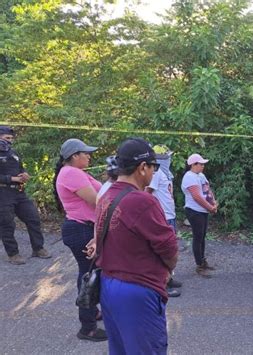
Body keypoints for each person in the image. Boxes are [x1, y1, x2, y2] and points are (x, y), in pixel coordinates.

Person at [96, 138, 178, 355]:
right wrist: (168, 269)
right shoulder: (143, 201)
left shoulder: (107, 195)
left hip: (108, 284)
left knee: (121, 349)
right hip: (137, 288)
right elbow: (168, 247)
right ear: (143, 167)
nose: (153, 173)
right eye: (154, 167)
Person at [52, 138, 107, 342]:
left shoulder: (77, 172)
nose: (89, 156)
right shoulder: (71, 173)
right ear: (74, 156)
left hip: (84, 228)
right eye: (85, 153)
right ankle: (88, 328)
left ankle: (91, 312)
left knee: (89, 272)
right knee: (88, 276)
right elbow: (96, 200)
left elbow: (100, 193)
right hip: (81, 230)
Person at [0, 125, 50, 265]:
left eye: (11, 138)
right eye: (6, 138)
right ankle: (13, 254)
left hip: (19, 192)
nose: (9, 141)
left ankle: (38, 248)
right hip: (3, 193)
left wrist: (24, 174)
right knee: (7, 224)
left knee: (33, 218)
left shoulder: (13, 152)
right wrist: (12, 179)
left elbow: (21, 167)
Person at [146, 145, 182, 297]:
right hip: (163, 217)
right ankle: (162, 284)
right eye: (167, 156)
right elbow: (148, 192)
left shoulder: (165, 173)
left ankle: (169, 277)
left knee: (171, 248)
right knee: (164, 250)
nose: (169, 159)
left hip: (169, 215)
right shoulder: (156, 173)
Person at [181, 153, 218, 278]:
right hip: (194, 210)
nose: (203, 166)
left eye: (203, 164)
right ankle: (199, 265)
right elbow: (197, 197)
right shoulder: (189, 177)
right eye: (200, 164)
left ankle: (203, 261)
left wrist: (214, 203)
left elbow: (207, 190)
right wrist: (210, 208)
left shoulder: (200, 175)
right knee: (198, 238)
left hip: (203, 210)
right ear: (193, 165)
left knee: (202, 237)